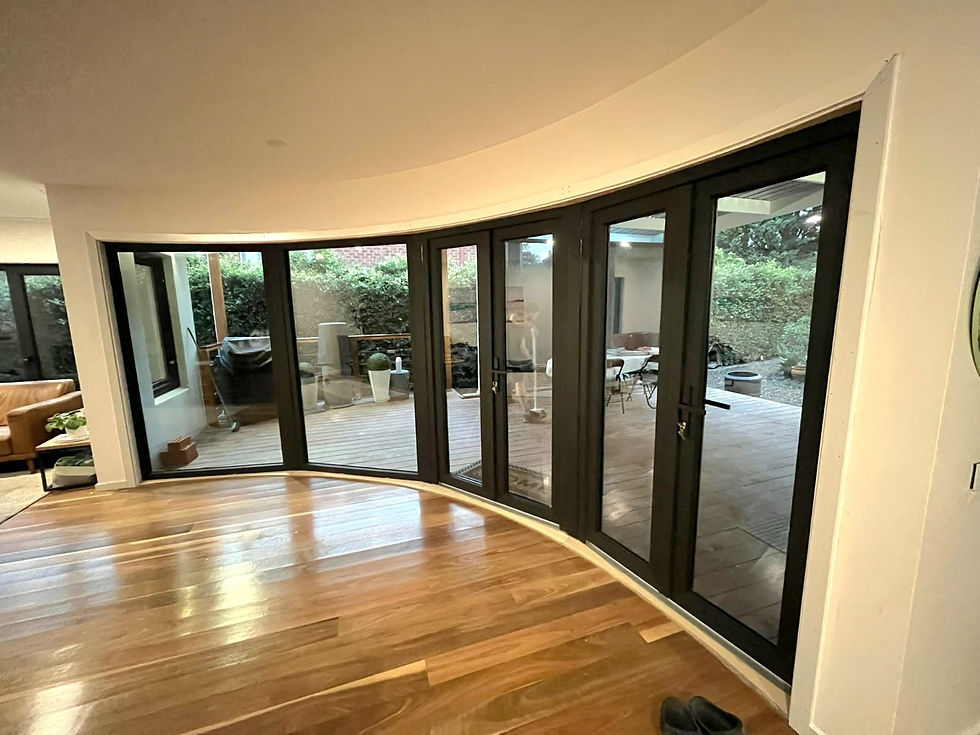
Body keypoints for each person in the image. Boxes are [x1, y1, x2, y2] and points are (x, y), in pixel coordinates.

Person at [506, 302, 547, 423]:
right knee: (520, 383)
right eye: (534, 315)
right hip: (515, 357)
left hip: (517, 355)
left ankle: (527, 409)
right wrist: (530, 326)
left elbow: (522, 343)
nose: (533, 318)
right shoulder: (515, 318)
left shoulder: (520, 325)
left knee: (522, 383)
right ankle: (525, 412)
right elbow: (513, 319)